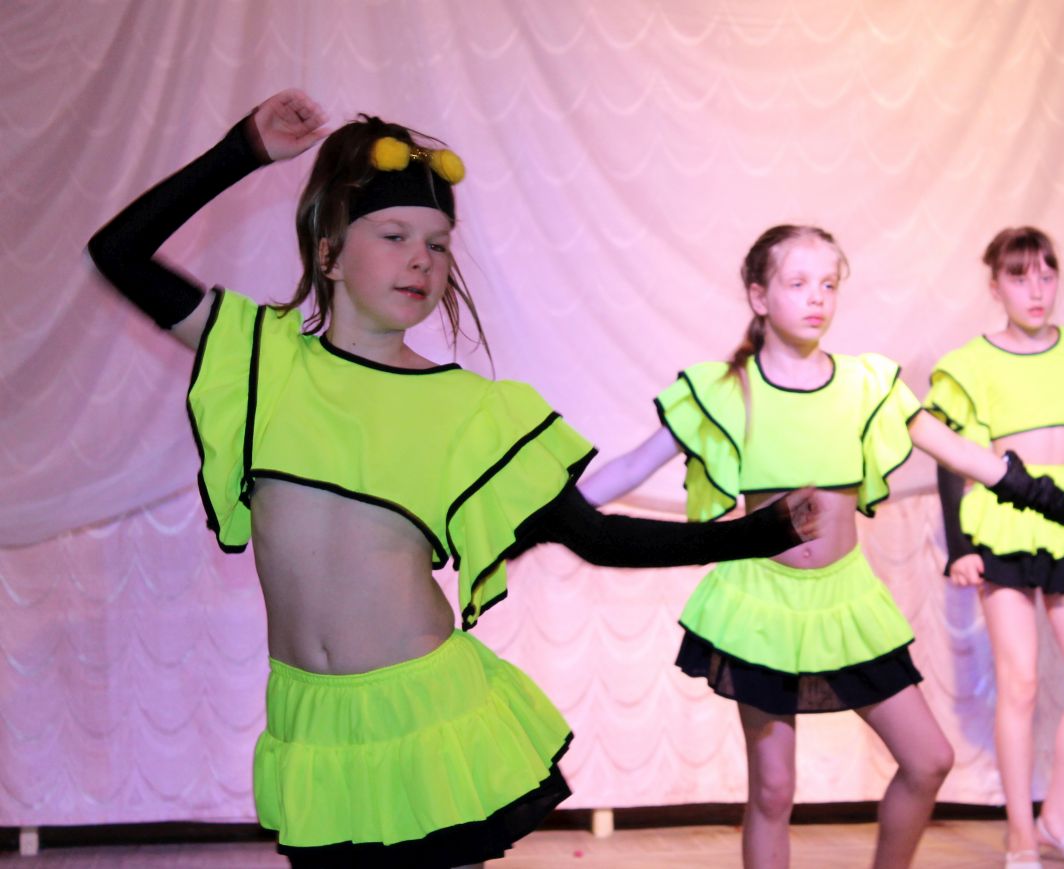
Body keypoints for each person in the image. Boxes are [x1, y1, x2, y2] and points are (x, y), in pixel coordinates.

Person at [86, 90, 826, 868]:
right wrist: (242, 150)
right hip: (311, 723)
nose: (421, 259)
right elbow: (118, 251)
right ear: (328, 252)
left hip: (429, 714)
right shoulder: (261, 357)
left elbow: (598, 537)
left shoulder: (472, 411)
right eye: (395, 235)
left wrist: (761, 531)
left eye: (439, 244)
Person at [578, 224, 1064, 869]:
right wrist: (543, 515)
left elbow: (968, 456)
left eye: (828, 284)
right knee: (773, 790)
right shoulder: (723, 389)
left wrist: (1061, 507)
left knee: (928, 759)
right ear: (759, 296)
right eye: (798, 283)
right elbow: (629, 467)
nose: (817, 297)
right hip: (760, 604)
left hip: (845, 598)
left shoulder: (868, 384)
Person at [926, 227, 1064, 869]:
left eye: (1046, 274)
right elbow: (950, 457)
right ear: (995, 286)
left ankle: (1056, 819)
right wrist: (960, 546)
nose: (1036, 290)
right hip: (1003, 520)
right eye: (1019, 277)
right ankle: (1020, 832)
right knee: (1019, 682)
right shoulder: (972, 364)